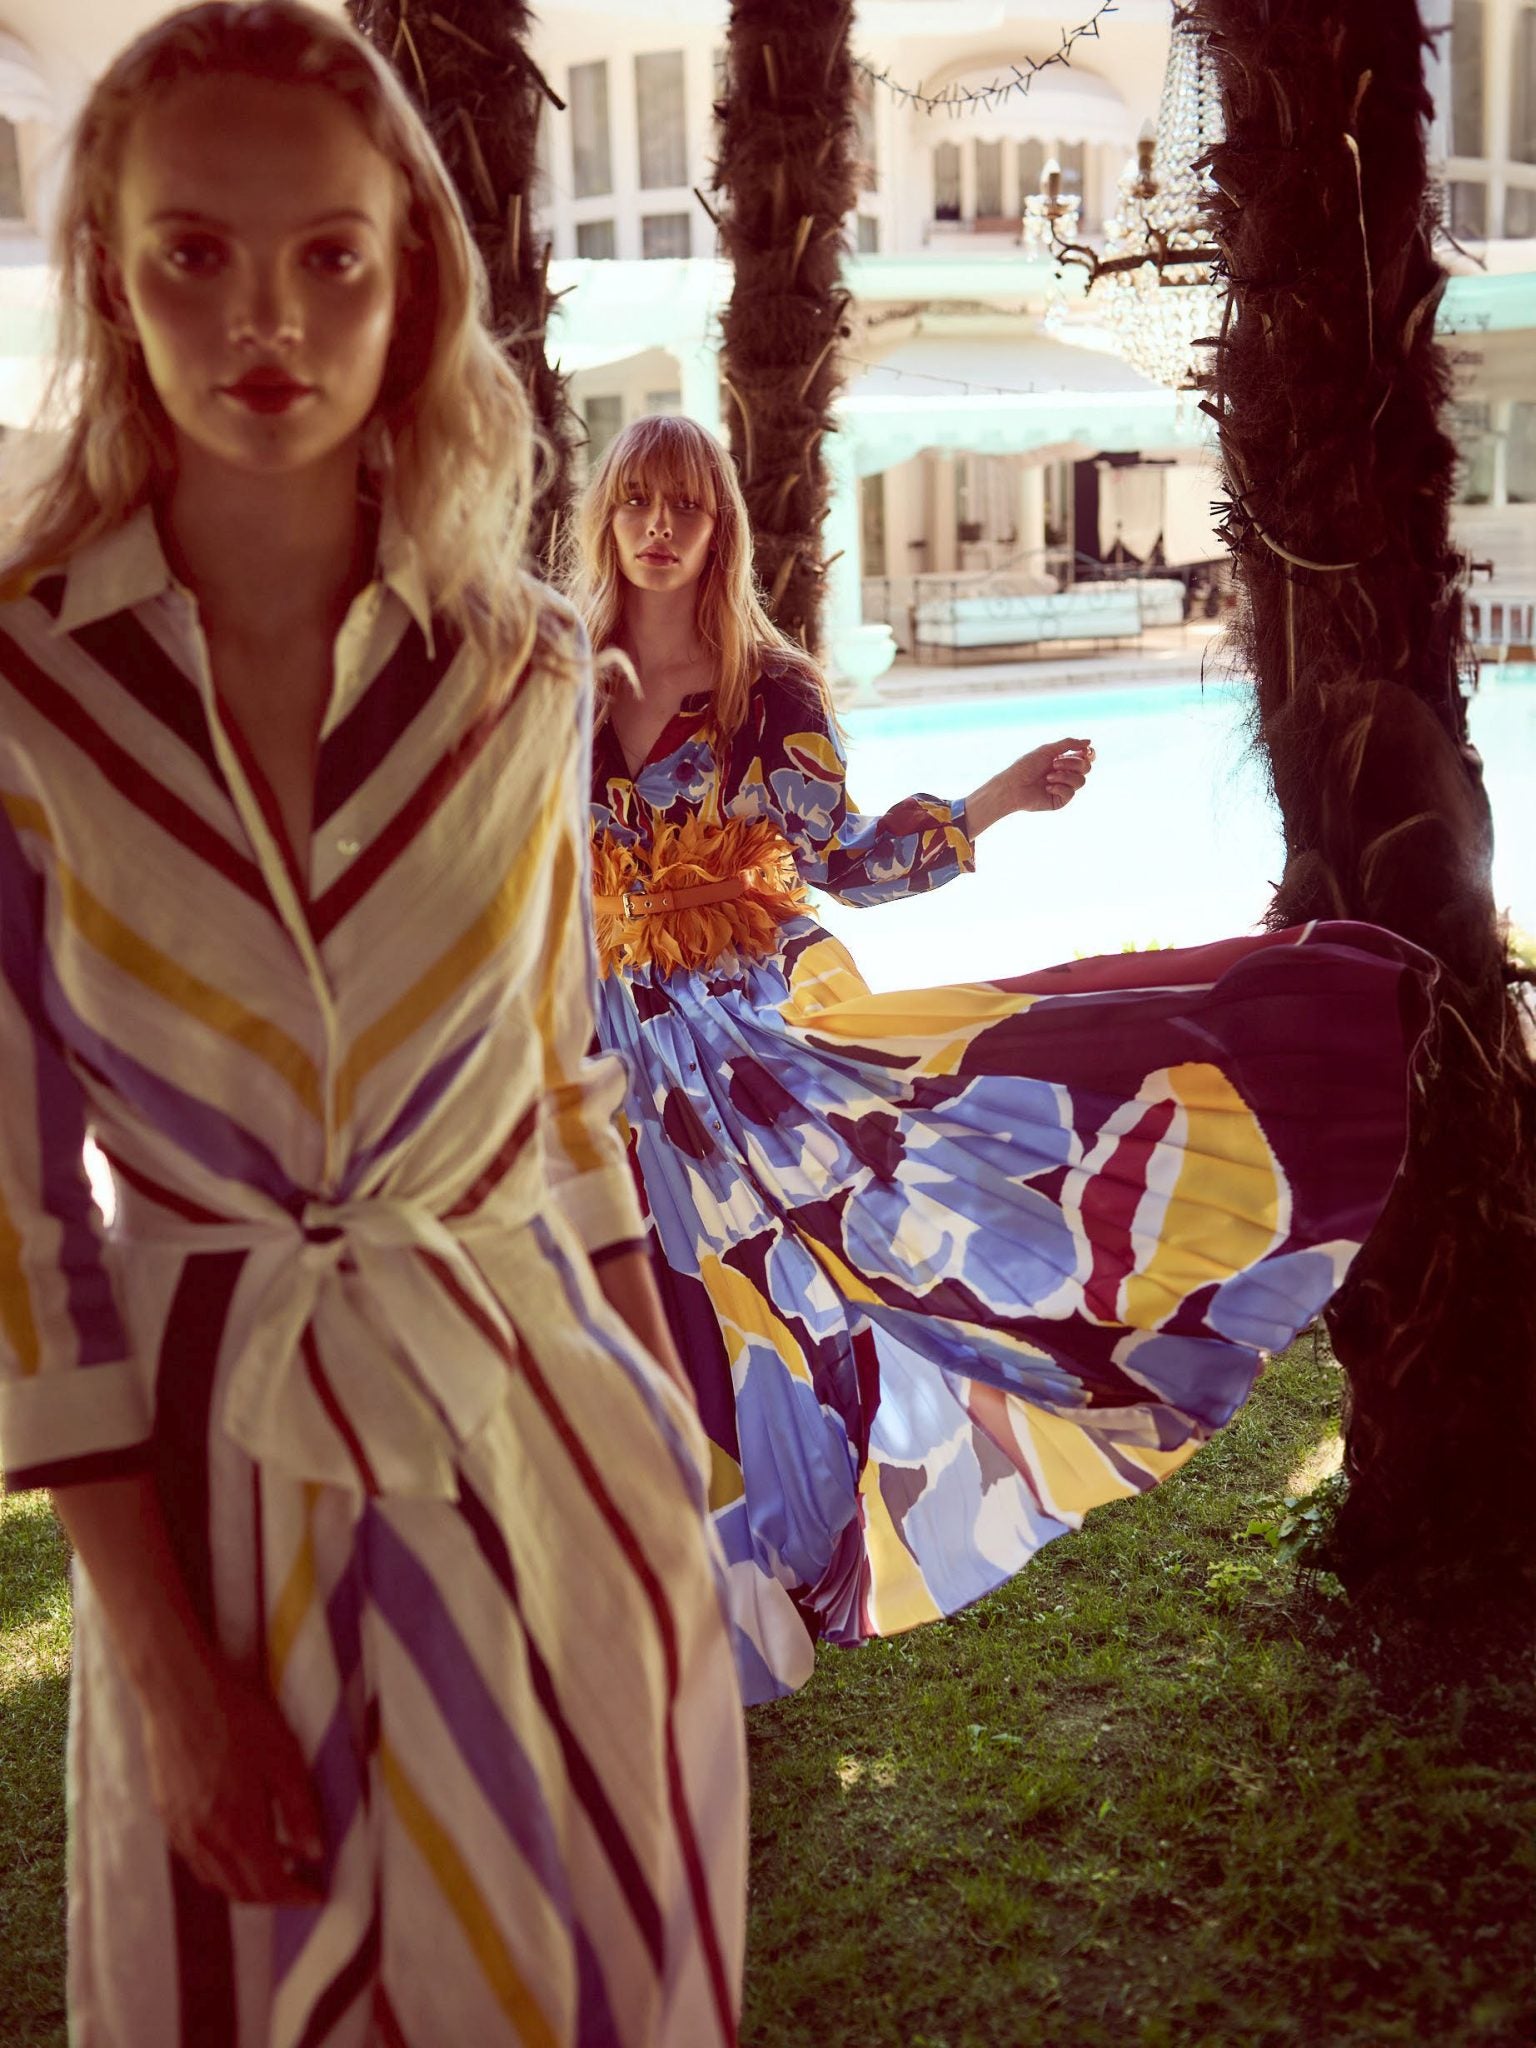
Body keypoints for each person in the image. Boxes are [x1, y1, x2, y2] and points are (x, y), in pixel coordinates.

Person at [0, 9, 745, 2043]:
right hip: (213, 1484)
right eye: (195, 254)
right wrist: (168, 1677)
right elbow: (22, 1234)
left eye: (331, 254)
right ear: (114, 280)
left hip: (547, 1450)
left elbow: (564, 1088)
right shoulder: (28, 698)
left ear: (410, 277)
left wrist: (663, 1438)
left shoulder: (528, 673)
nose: (268, 316)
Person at [569, 413, 1433, 1704]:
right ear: (605, 516)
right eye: (637, 499)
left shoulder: (768, 694)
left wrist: (995, 804)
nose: (657, 526)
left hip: (745, 1058)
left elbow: (848, 861)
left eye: (684, 504)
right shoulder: (559, 689)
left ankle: (769, 1583)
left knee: (778, 1310)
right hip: (599, 1055)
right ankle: (638, 1587)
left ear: (720, 526)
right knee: (611, 1314)